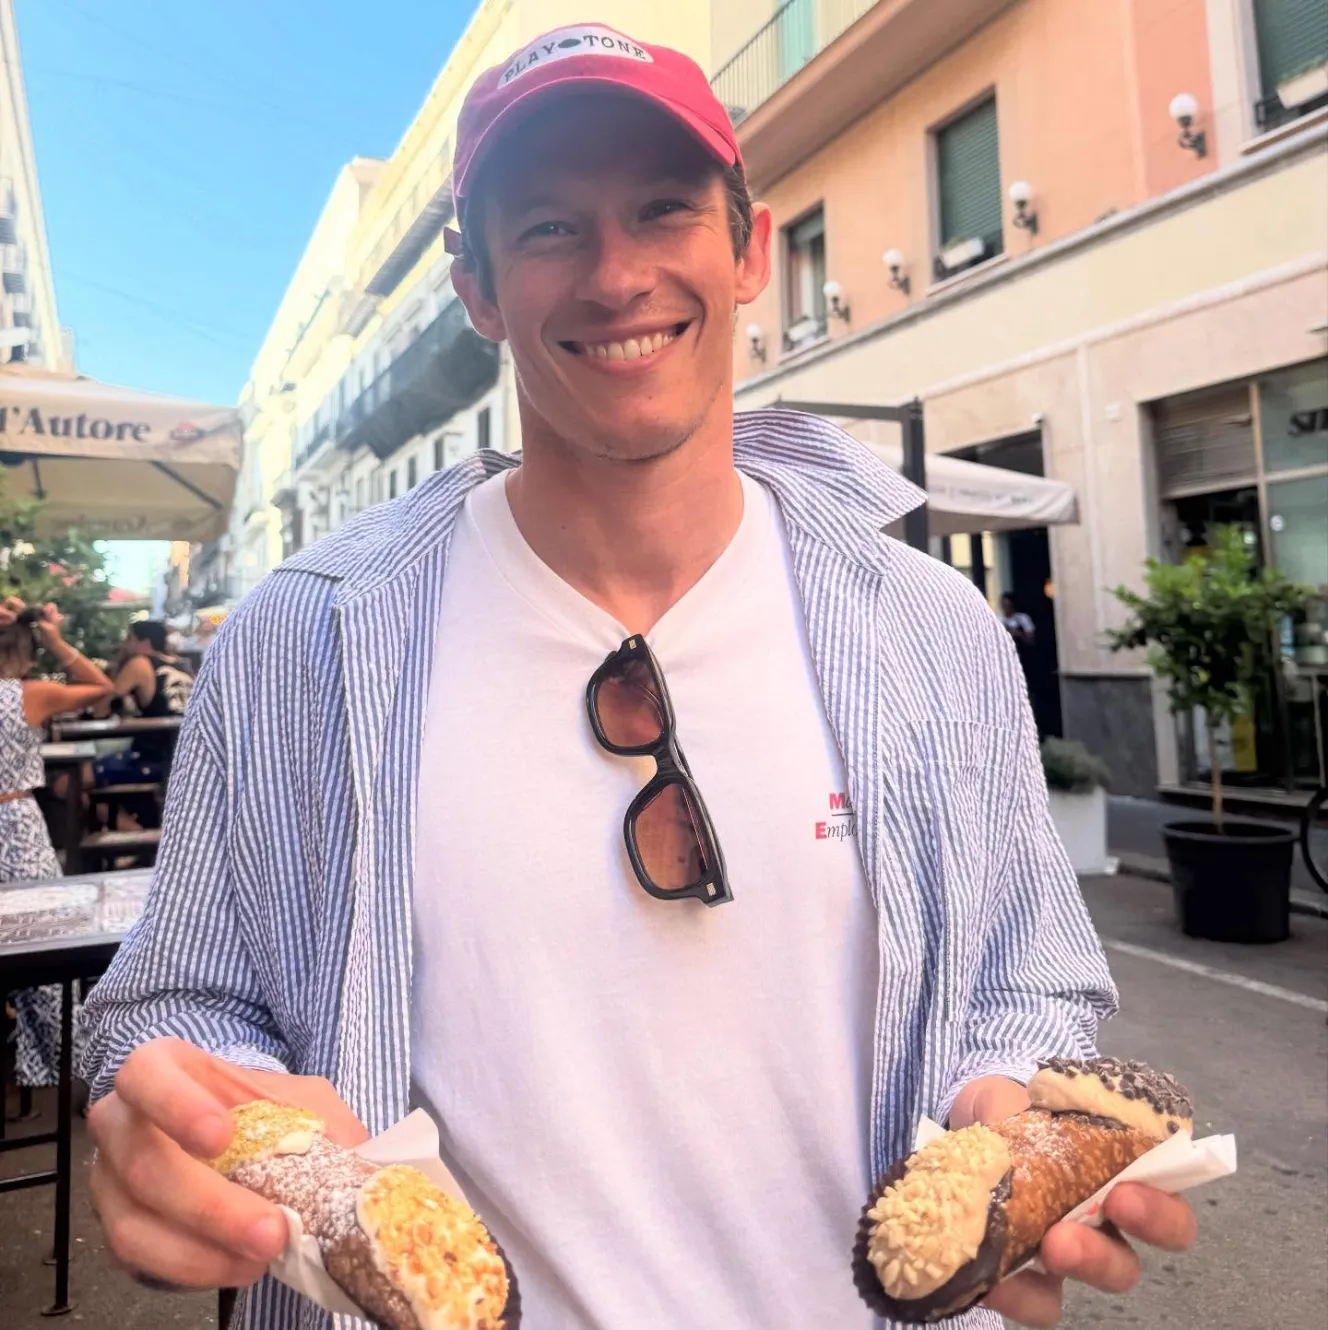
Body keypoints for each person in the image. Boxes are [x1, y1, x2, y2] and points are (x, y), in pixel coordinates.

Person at [79, 25, 1197, 1330]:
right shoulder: (301, 640)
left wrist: (1006, 1096)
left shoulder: (929, 627)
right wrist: (192, 1128)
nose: (616, 275)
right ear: (478, 287)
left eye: (662, 208)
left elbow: (1033, 974)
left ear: (748, 253)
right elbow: (178, 992)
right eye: (549, 227)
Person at [0, 597, 114, 1086]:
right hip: (16, 822)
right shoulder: (28, 695)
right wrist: (57, 640)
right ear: (26, 652)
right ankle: (69, 1068)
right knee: (46, 946)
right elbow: (100, 686)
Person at [92, 620, 193, 787]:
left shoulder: (140, 663)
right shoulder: (183, 665)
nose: (124, 645)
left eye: (129, 639)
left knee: (69, 780)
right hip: (187, 759)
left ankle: (119, 813)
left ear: (144, 643)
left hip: (153, 756)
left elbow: (103, 708)